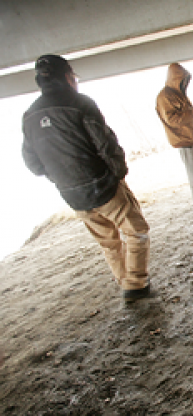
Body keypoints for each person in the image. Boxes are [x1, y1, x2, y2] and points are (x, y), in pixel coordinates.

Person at [21, 54, 151, 304]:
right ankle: (135, 284)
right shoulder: (81, 104)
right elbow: (106, 144)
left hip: (71, 194)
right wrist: (117, 174)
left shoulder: (29, 116)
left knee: (108, 242)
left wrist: (61, 178)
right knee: (136, 232)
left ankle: (125, 283)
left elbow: (34, 165)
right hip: (103, 185)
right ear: (68, 77)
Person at [156, 63, 193, 210]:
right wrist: (192, 114)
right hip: (183, 140)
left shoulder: (177, 94)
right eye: (183, 80)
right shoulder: (165, 96)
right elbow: (172, 119)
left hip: (191, 139)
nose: (185, 83)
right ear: (176, 79)